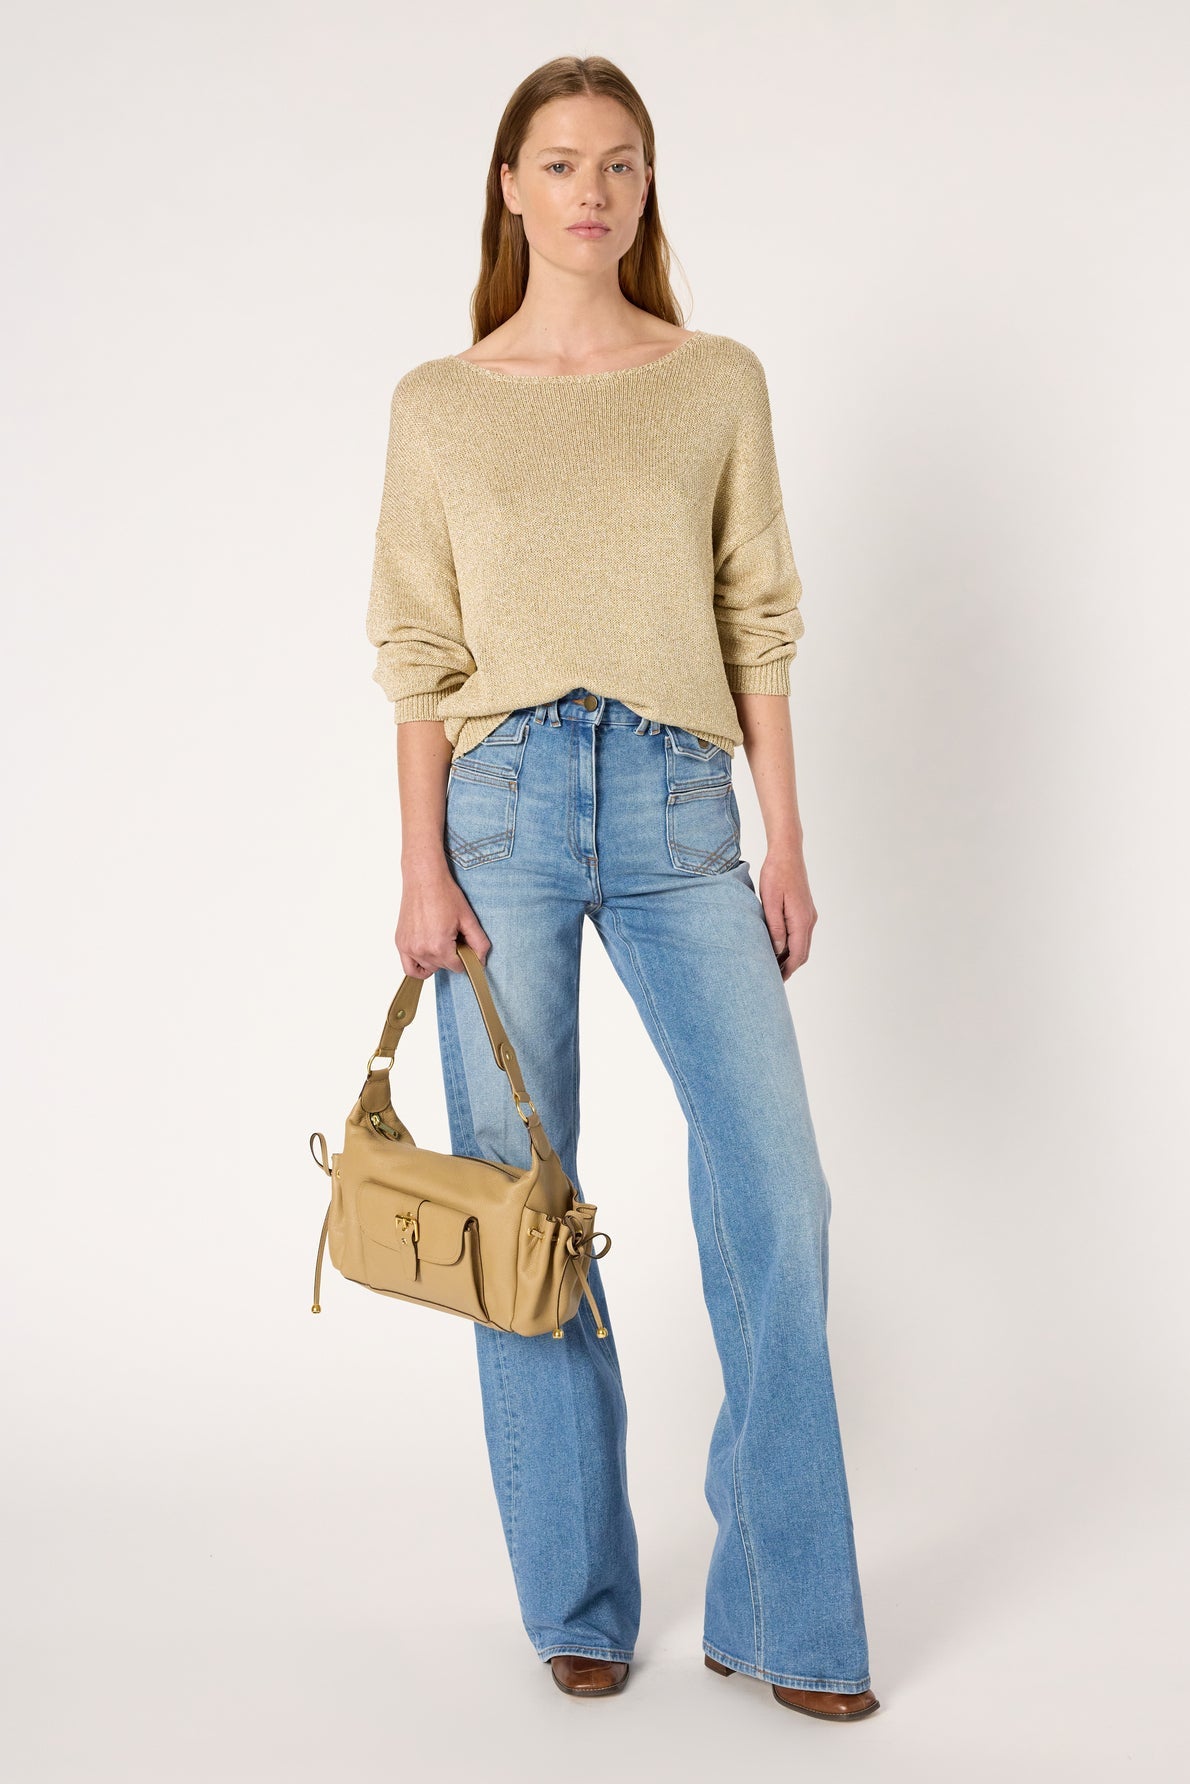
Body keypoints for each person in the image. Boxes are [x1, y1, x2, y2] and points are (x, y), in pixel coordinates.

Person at [364, 53, 881, 1722]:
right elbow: (418, 650)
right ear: (509, 187)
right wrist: (418, 865)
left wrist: (782, 838)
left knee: (777, 1198)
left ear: (646, 189)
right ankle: (576, 1601)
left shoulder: (712, 379)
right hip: (501, 810)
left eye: (620, 164)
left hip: (677, 809)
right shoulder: (439, 403)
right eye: (560, 161)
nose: (590, 190)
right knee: (521, 1211)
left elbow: (755, 615)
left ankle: (783, 1613)